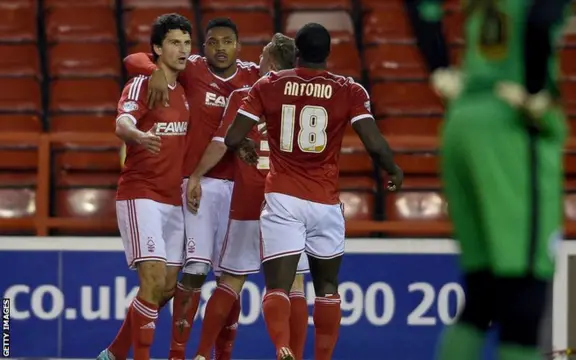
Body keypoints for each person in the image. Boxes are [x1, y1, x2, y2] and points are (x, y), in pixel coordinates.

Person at [224, 23, 403, 360]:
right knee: (326, 289)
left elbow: (233, 137)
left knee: (278, 286)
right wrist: (392, 169)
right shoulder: (349, 89)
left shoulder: (269, 85)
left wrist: (245, 146)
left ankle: (282, 347)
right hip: (325, 201)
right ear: (328, 52)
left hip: (283, 197)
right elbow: (374, 144)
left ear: (298, 52)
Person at [417, 1, 572, 359]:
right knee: (526, 297)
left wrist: (438, 64)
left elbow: (423, 7)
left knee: (482, 294)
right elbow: (542, 17)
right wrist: (535, 92)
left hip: (463, 117)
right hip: (512, 123)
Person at [123, 17, 260, 359]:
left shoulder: (252, 74)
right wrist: (152, 69)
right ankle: (176, 353)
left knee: (231, 279)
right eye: (212, 42)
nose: (220, 49)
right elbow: (133, 59)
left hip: (240, 186)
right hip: (195, 184)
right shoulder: (193, 68)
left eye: (227, 42)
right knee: (193, 272)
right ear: (204, 47)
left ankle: (220, 355)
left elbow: (286, 74)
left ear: (237, 45)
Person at [191, 33, 311, 360]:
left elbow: (223, 142)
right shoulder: (310, 102)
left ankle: (202, 355)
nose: (256, 62)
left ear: (270, 63)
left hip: (248, 199)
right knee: (295, 283)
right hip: (288, 200)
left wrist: (197, 175)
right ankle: (293, 353)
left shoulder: (247, 95)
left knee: (231, 280)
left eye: (261, 58)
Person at [97, 13, 192, 360]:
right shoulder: (142, 83)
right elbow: (122, 123)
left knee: (166, 288)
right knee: (151, 282)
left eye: (186, 43)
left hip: (174, 199)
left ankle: (113, 354)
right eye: (173, 43)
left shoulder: (185, 89)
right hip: (142, 194)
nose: (182, 50)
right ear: (157, 48)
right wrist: (137, 135)